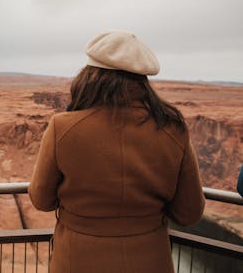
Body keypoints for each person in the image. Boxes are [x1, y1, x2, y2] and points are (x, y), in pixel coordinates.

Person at [28, 31, 205, 273]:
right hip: (150, 261)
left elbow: (41, 199)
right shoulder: (173, 129)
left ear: (90, 77)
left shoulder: (63, 127)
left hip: (77, 260)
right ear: (143, 81)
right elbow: (189, 212)